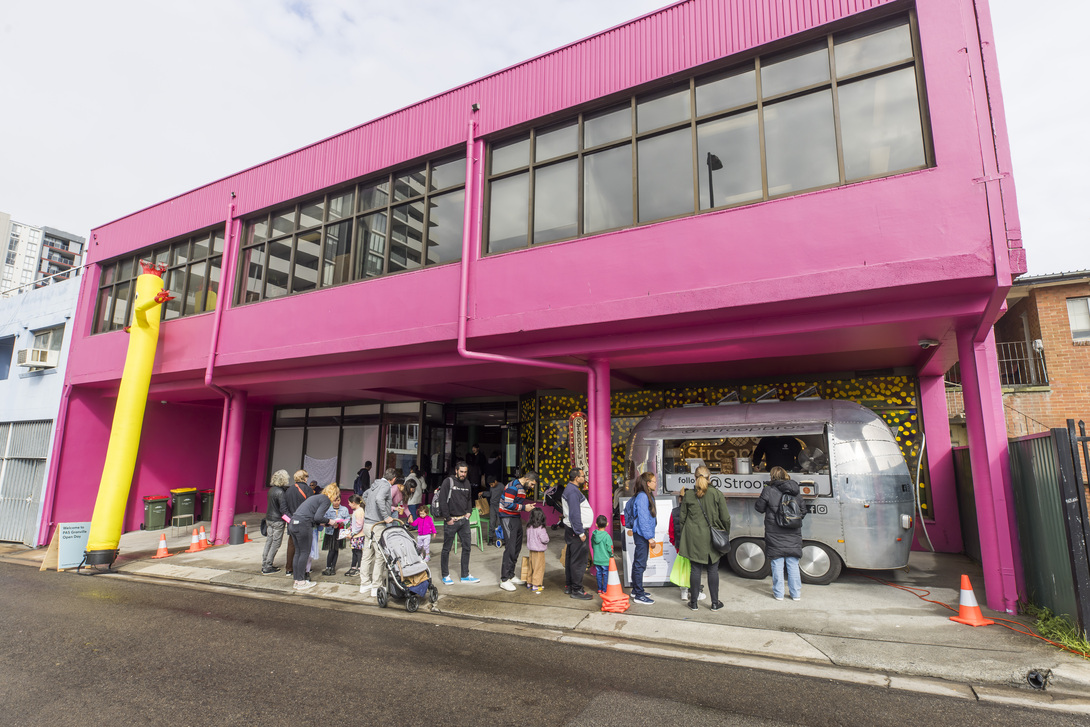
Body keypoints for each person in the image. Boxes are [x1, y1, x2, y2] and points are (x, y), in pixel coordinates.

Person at [678, 465, 730, 611]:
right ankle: (714, 603)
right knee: (713, 570)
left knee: (695, 570)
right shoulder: (716, 493)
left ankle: (693, 603)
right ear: (710, 478)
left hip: (693, 537)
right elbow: (725, 517)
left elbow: (682, 518)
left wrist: (685, 535)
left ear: (694, 478)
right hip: (712, 537)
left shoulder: (688, 495)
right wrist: (725, 532)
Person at [755, 466, 804, 601]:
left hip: (774, 532)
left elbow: (759, 508)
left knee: (777, 563)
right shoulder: (795, 490)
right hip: (793, 532)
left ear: (772, 476)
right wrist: (791, 521)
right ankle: (795, 594)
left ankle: (779, 594)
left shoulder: (768, 490)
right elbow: (803, 511)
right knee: (793, 563)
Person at [287, 482, 339, 591]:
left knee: (298, 552)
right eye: (336, 495)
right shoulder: (325, 500)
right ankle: (301, 582)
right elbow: (318, 517)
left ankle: (297, 580)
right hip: (303, 525)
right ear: (333, 494)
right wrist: (331, 521)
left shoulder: (316, 497)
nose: (336, 498)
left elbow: (314, 517)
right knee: (304, 553)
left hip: (293, 523)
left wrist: (324, 523)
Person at [358, 468, 402, 597]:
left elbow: (365, 496)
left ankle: (364, 584)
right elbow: (379, 499)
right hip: (377, 525)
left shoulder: (375, 484)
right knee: (380, 556)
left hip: (367, 524)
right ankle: (376, 586)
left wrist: (370, 508)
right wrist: (385, 516)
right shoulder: (385, 486)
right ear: (393, 479)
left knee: (367, 554)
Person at [437, 461, 480, 585]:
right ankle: (445, 575)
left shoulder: (467, 483)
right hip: (451, 521)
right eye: (461, 471)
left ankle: (465, 575)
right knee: (446, 549)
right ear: (456, 471)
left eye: (465, 472)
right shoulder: (448, 482)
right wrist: (447, 518)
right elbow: (442, 501)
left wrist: (469, 512)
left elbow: (469, 499)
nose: (463, 474)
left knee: (467, 547)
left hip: (464, 521)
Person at [498, 469, 538, 591]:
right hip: (507, 517)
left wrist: (524, 508)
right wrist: (524, 507)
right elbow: (507, 504)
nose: (531, 487)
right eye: (532, 484)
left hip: (515, 516)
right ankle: (504, 579)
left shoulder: (522, 488)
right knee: (510, 547)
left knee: (517, 546)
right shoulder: (513, 487)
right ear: (527, 479)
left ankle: (511, 575)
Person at [623, 472, 658, 605]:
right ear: (648, 483)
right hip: (642, 535)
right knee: (640, 564)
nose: (656, 483)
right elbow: (643, 519)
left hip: (642, 534)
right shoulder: (643, 497)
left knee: (639, 562)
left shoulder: (645, 496)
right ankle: (638, 594)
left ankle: (636, 590)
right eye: (654, 481)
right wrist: (649, 538)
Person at [560, 467, 594, 600]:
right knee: (578, 561)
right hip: (576, 531)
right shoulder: (573, 492)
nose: (584, 478)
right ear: (576, 478)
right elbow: (575, 514)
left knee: (571, 559)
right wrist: (580, 532)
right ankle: (577, 590)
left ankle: (570, 586)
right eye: (582, 476)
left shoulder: (570, 489)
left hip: (571, 530)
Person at [282, 469, 310, 579]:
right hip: (304, 522)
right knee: (303, 548)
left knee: (291, 545)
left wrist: (290, 519)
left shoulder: (288, 490)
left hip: (291, 522)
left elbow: (283, 508)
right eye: (306, 477)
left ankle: (289, 568)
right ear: (304, 478)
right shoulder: (308, 490)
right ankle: (301, 570)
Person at [261, 469, 289, 574]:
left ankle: (265, 563)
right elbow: (283, 510)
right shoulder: (281, 492)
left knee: (269, 541)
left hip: (269, 519)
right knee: (276, 543)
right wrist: (290, 520)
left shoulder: (272, 490)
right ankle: (268, 565)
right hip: (278, 521)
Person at [321, 484, 349, 576]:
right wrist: (330, 524)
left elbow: (347, 519)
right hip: (330, 531)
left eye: (338, 500)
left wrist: (342, 523)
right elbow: (324, 519)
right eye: (335, 500)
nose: (336, 502)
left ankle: (333, 567)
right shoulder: (328, 509)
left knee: (336, 549)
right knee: (331, 549)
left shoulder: (344, 509)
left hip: (339, 531)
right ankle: (328, 566)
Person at [525, 506, 549, 593]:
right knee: (539, 568)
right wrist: (547, 540)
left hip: (531, 550)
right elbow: (545, 539)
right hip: (539, 551)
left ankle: (529, 582)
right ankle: (536, 584)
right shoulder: (541, 528)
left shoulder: (529, 527)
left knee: (531, 566)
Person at [591, 514, 614, 594]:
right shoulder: (607, 536)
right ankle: (605, 590)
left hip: (597, 559)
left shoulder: (593, 536)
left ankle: (599, 589)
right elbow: (610, 548)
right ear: (607, 524)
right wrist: (612, 555)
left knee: (599, 573)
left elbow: (592, 546)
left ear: (596, 524)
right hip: (605, 559)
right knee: (606, 574)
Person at [345, 494, 365, 577]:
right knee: (354, 551)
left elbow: (359, 525)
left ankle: (359, 568)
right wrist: (350, 528)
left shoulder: (359, 511)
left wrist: (352, 533)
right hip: (355, 535)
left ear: (353, 503)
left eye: (349, 503)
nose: (349, 505)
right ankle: (353, 567)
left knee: (358, 552)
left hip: (358, 535)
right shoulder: (357, 511)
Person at [485, 475, 503, 545]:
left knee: (499, 523)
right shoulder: (491, 487)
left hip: (499, 507)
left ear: (495, 482)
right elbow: (490, 494)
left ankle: (499, 539)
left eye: (492, 484)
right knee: (492, 522)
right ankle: (490, 538)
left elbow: (505, 495)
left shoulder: (501, 486)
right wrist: (483, 493)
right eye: (490, 485)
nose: (491, 486)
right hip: (492, 506)